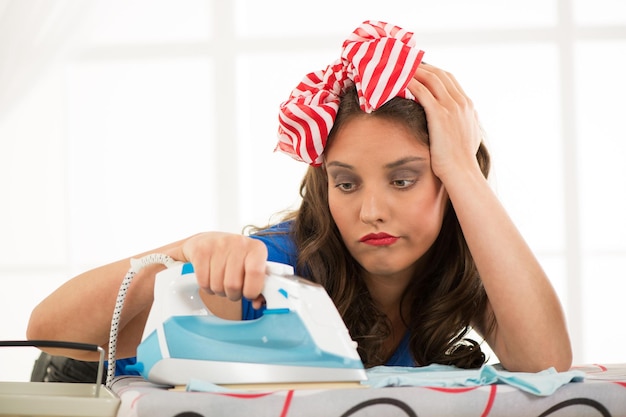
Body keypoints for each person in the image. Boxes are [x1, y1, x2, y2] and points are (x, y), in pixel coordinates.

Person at [27, 20, 572, 375]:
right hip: (79, 377)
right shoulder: (286, 262)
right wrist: (190, 249)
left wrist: (461, 166)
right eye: (346, 182)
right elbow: (48, 334)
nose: (371, 210)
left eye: (402, 180)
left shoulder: (460, 267)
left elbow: (547, 365)